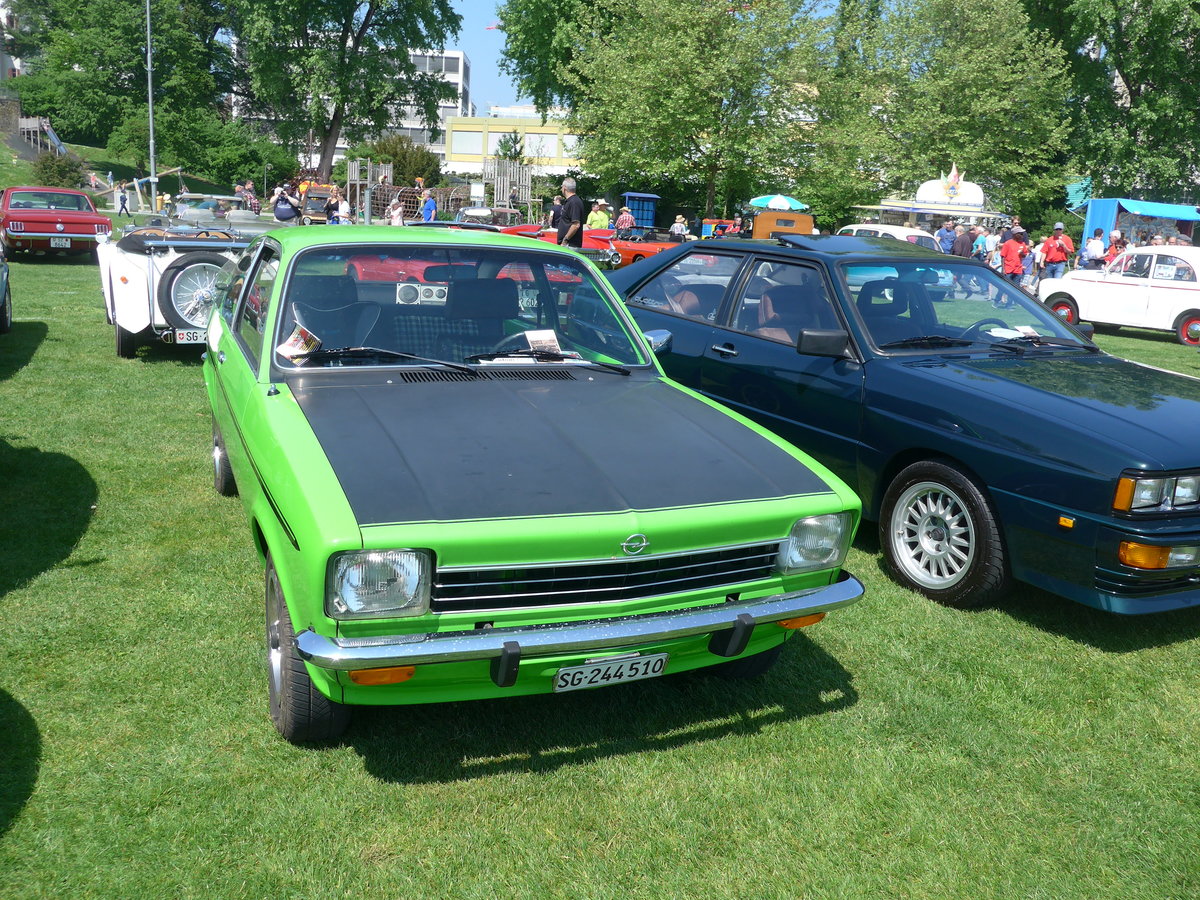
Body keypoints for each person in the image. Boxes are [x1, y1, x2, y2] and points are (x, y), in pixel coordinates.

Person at [556, 177, 585, 247]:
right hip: (567, 245)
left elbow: (576, 225)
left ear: (564, 188)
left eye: (562, 187)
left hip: (570, 245)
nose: (561, 189)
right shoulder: (569, 201)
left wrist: (565, 240)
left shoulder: (574, 202)